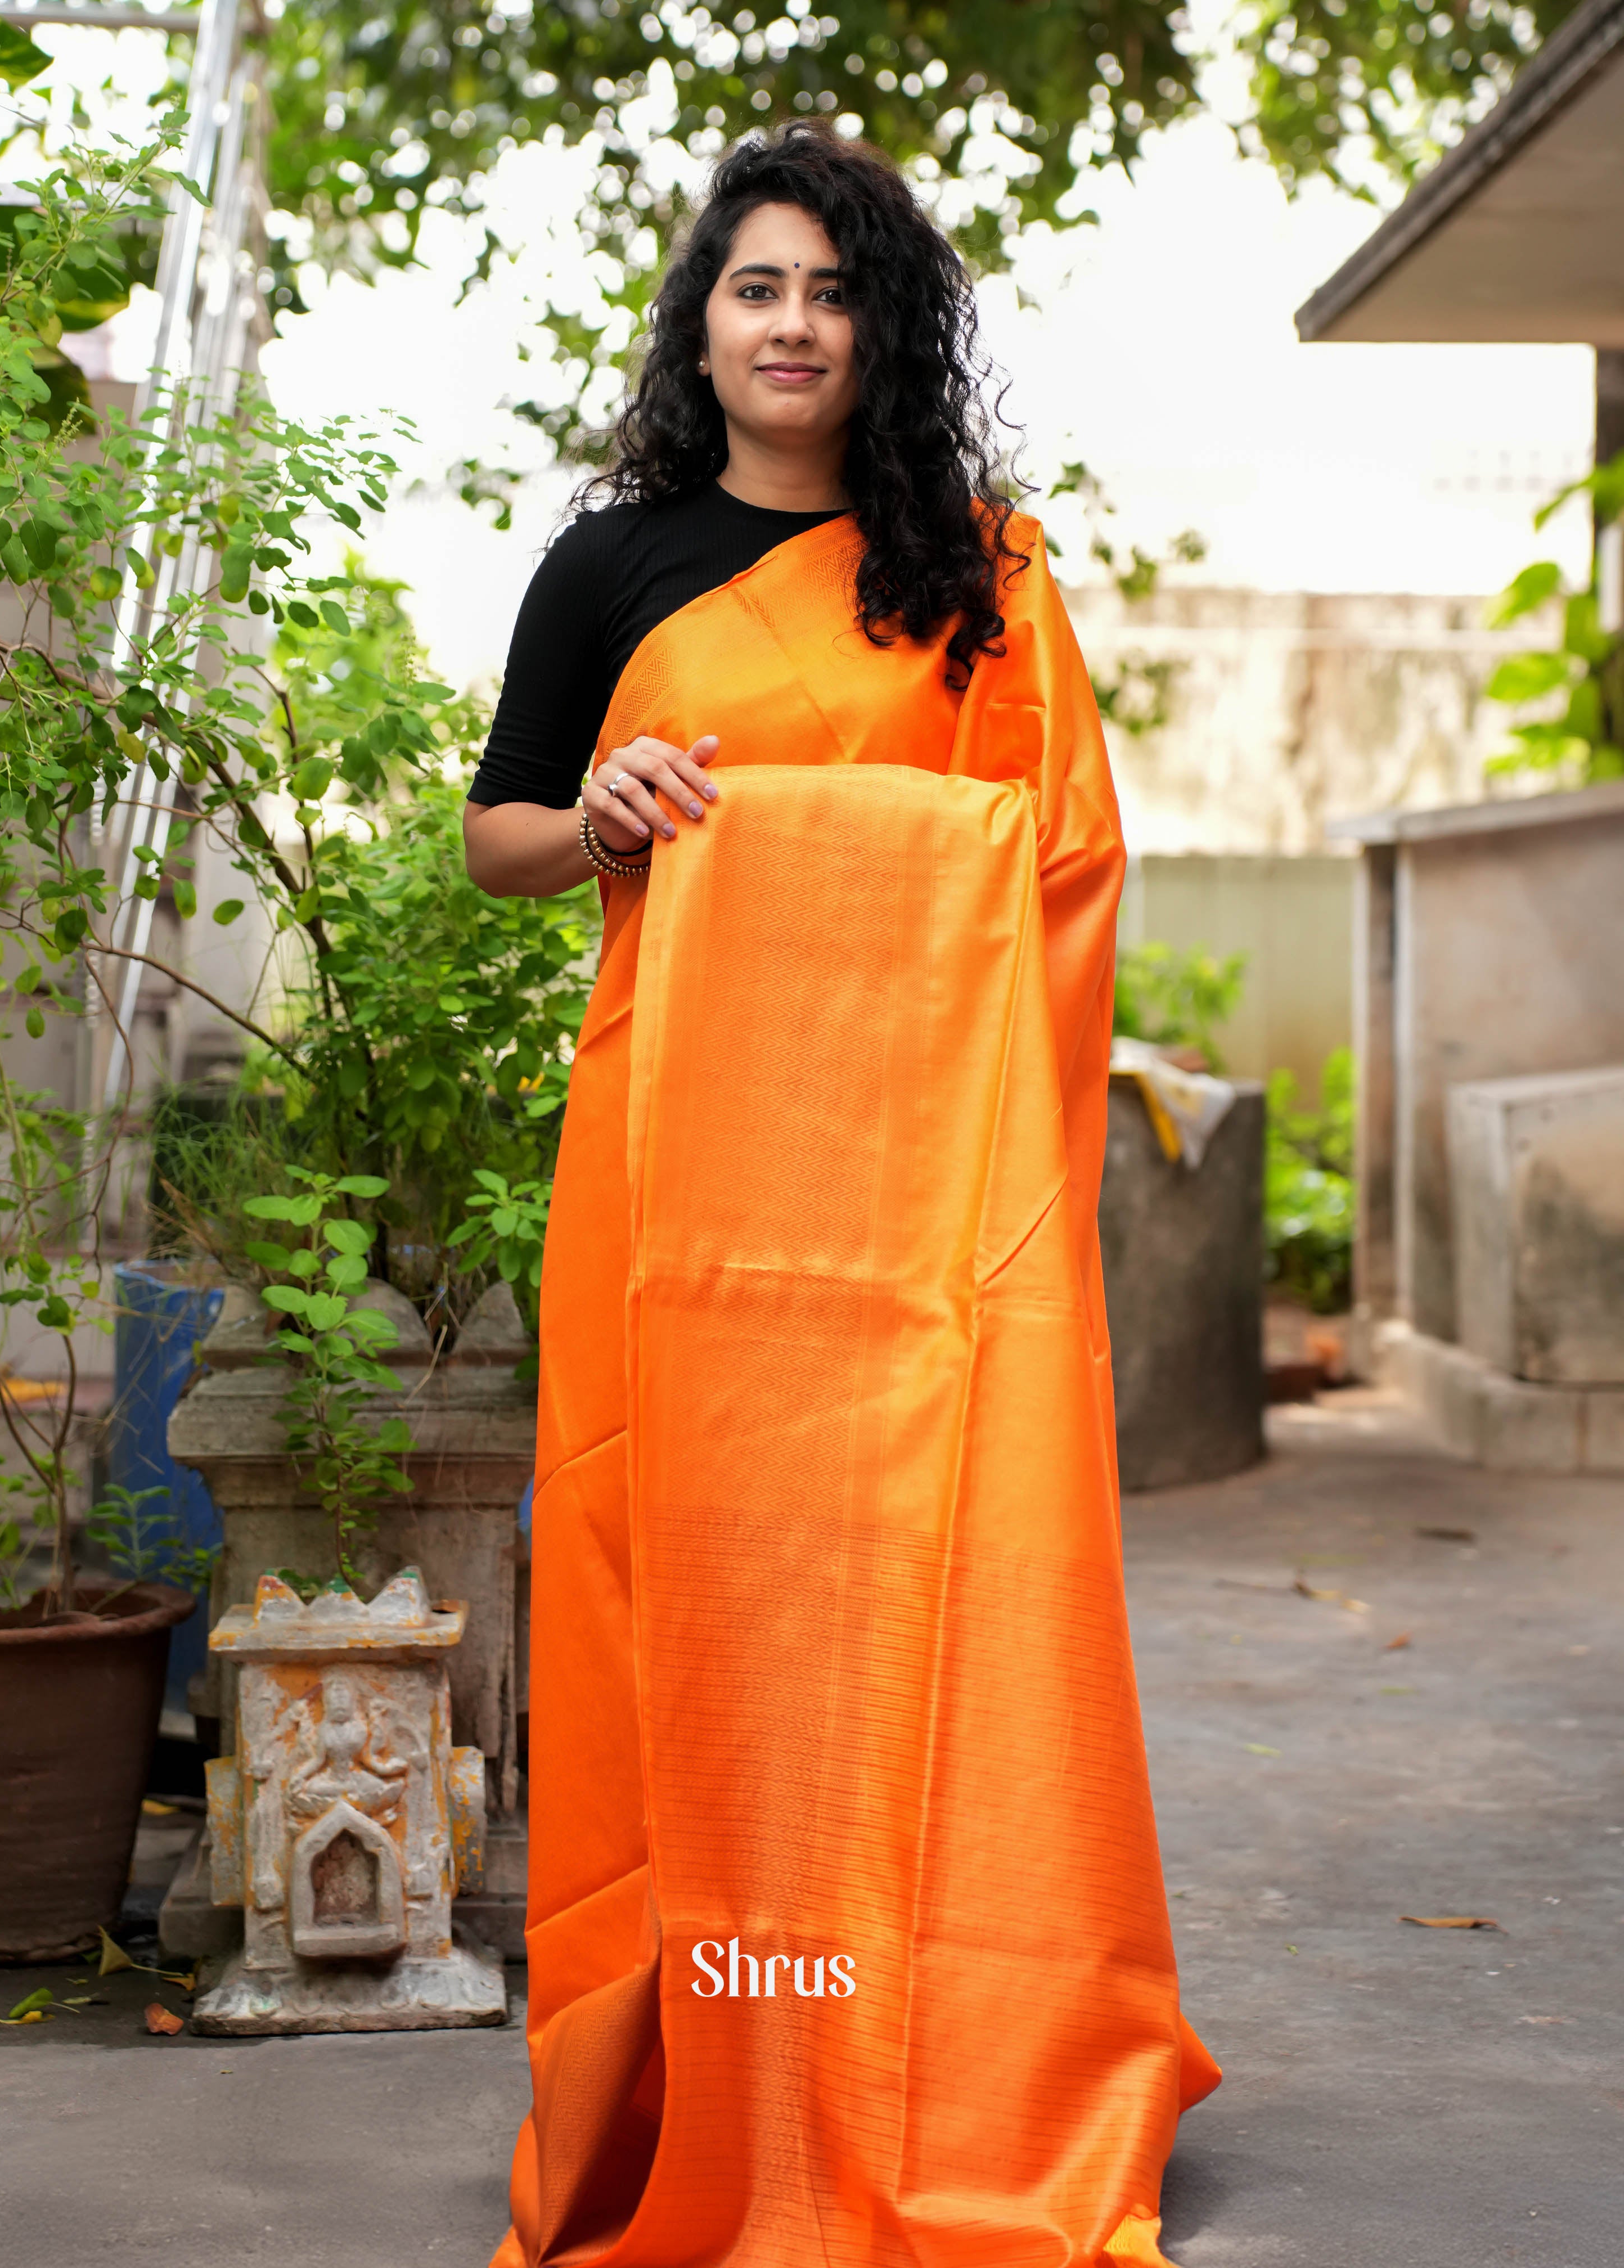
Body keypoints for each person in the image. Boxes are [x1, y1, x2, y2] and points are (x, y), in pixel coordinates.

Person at [464, 120, 1219, 2268]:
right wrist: (604, 810)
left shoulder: (974, 572)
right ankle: (706, 2059)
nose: (795, 325)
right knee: (675, 1601)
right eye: (757, 286)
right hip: (679, 1196)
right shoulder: (613, 568)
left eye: (835, 290)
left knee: (914, 1605)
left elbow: (1059, 872)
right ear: (702, 324)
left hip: (916, 1232)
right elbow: (496, 834)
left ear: (885, 331)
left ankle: (942, 2058)